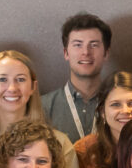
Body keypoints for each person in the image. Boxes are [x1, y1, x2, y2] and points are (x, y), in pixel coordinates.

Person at [44, 12, 114, 147]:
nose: (86, 52)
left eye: (93, 45)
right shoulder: (43, 107)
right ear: (66, 53)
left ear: (106, 53)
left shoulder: (120, 105)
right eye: (78, 45)